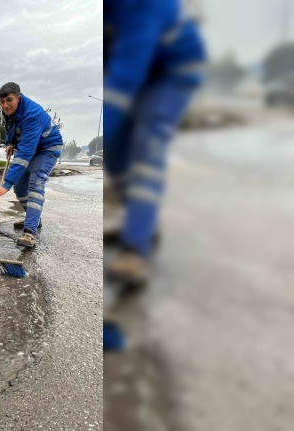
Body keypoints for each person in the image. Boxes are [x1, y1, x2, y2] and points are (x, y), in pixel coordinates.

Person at [103, 0, 206, 287]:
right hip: (135, 65)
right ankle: (138, 222)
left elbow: (124, 81)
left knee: (147, 147)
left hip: (173, 71)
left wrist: (110, 120)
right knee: (115, 151)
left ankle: (136, 248)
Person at [0, 82, 63, 248]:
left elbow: (25, 154)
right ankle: (34, 217)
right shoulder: (9, 110)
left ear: (19, 97)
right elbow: (11, 127)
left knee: (35, 184)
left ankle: (30, 232)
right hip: (31, 147)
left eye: (9, 100)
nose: (5, 105)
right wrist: (10, 142)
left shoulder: (32, 115)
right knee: (20, 188)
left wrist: (6, 183)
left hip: (47, 149)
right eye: (2, 102)